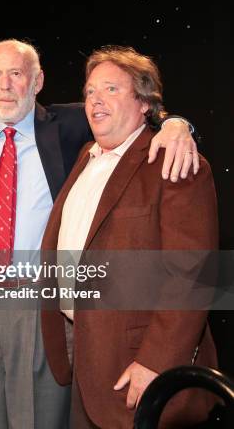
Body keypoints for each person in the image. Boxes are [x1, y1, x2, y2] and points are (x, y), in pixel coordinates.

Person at [0, 40, 200, 429]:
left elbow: (194, 276)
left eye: (16, 74)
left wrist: (178, 125)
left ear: (37, 82)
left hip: (43, 304)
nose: (5, 86)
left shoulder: (73, 128)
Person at [40, 46, 218, 428]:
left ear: (144, 103)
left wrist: (157, 361)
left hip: (140, 371)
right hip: (84, 360)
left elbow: (193, 277)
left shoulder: (174, 162)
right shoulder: (86, 155)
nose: (95, 100)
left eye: (111, 89)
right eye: (89, 91)